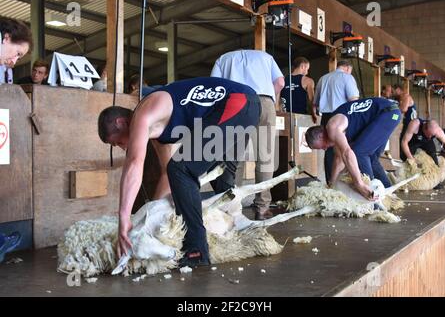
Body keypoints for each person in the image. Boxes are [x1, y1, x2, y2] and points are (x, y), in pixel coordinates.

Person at [98, 77, 261, 267]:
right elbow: (168, 176)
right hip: (247, 107)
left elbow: (134, 162)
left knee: (182, 168)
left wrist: (124, 217)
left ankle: (196, 249)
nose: (120, 147)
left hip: (237, 102)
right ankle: (237, 231)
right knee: (217, 175)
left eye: (117, 142)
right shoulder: (158, 134)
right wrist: (151, 219)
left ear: (121, 122)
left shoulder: (145, 112)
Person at [211, 49, 284, 220]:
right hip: (264, 101)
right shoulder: (266, 57)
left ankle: (231, 208)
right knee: (265, 157)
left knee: (234, 157)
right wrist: (271, 98)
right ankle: (262, 208)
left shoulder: (223, 57)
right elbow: (280, 82)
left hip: (237, 102)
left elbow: (215, 85)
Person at [305, 97, 401, 197]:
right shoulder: (336, 133)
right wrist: (331, 186)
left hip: (388, 113)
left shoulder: (333, 127)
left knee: (359, 153)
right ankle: (389, 194)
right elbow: (338, 159)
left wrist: (358, 183)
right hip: (389, 114)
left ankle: (371, 196)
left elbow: (347, 153)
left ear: (320, 136)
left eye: (321, 147)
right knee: (371, 158)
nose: (324, 149)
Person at [314, 60, 360, 184]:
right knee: (344, 149)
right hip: (341, 117)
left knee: (328, 150)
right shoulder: (347, 77)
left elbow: (315, 103)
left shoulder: (323, 79)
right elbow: (354, 101)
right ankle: (344, 183)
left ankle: (330, 182)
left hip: (326, 117)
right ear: (347, 67)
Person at [280, 56, 316, 123]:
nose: (307, 72)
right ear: (302, 66)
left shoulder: (282, 80)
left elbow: (277, 100)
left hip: (286, 117)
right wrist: (314, 115)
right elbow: (312, 100)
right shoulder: (308, 80)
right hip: (301, 117)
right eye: (307, 69)